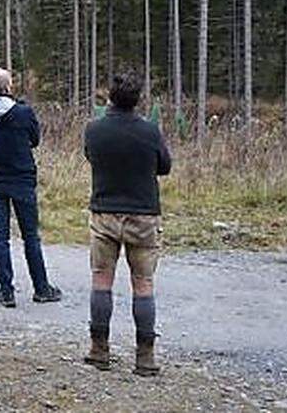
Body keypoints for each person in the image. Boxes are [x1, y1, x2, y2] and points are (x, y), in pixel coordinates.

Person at [82, 73, 172, 377]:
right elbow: (165, 166)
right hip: (144, 214)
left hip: (105, 212)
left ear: (110, 97)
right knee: (143, 284)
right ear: (138, 100)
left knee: (101, 279)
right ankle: (145, 356)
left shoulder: (94, 129)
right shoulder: (150, 131)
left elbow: (89, 156)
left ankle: (99, 349)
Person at [0, 68, 63, 307]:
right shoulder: (23, 113)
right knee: (30, 235)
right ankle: (41, 287)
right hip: (21, 177)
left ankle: (6, 290)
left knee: (0, 237)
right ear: (8, 87)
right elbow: (35, 139)